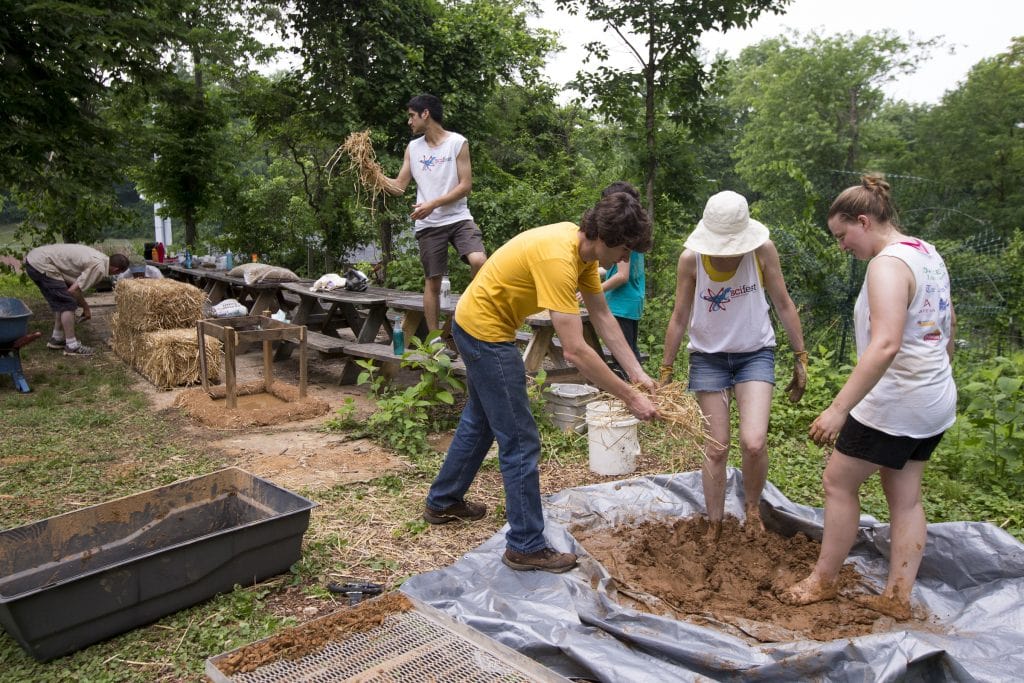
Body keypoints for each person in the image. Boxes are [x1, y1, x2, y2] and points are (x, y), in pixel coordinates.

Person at [423, 191, 659, 573]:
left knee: (481, 421)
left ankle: (443, 501)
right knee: (519, 438)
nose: (623, 259)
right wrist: (630, 397)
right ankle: (525, 544)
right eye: (624, 250)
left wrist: (636, 372)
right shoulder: (558, 259)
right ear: (606, 238)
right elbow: (576, 351)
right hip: (485, 332)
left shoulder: (579, 249)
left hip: (476, 323)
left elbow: (601, 317)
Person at [779, 175, 957, 620]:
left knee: (838, 483)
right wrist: (938, 374)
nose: (842, 247)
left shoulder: (886, 265)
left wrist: (839, 409)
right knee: (907, 497)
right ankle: (897, 595)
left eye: (842, 236)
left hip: (894, 402)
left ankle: (822, 580)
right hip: (933, 398)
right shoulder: (926, 253)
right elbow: (947, 323)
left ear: (863, 220)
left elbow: (886, 344)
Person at [661, 190, 807, 537]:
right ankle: (715, 522)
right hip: (708, 357)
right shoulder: (691, 260)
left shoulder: (761, 251)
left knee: (754, 442)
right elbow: (680, 317)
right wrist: (665, 371)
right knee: (716, 446)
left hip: (754, 353)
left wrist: (801, 356)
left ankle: (753, 508)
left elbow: (783, 303)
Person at [384, 93, 486, 342]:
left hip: (459, 217)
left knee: (480, 261)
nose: (409, 121)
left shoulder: (457, 143)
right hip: (429, 223)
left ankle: (462, 319)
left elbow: (465, 186)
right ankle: (435, 340)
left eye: (411, 116)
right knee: (433, 281)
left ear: (425, 113)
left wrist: (433, 204)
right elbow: (398, 186)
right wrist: (373, 175)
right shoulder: (413, 148)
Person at [23, 244, 129, 356]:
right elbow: (74, 291)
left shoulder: (102, 258)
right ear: (116, 269)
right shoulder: (100, 267)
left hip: (36, 259)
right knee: (68, 302)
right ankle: (72, 346)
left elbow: (74, 286)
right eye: (118, 273)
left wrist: (82, 302)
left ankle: (57, 339)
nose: (116, 275)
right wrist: (86, 308)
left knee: (62, 300)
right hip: (42, 263)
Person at [599, 182, 646, 367]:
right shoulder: (637, 235)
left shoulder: (623, 238)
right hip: (631, 301)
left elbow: (622, 276)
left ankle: (631, 389)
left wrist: (596, 289)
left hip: (621, 302)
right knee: (629, 350)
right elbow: (612, 269)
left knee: (623, 355)